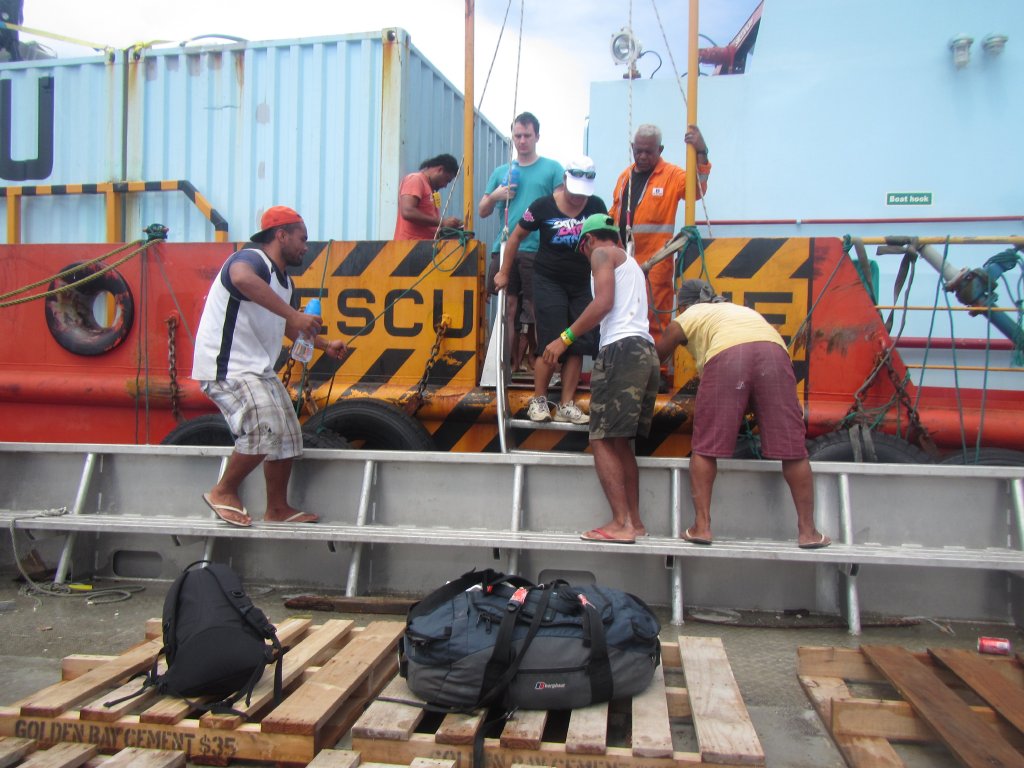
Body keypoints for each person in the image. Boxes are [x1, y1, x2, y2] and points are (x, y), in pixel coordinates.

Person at [192, 206, 349, 527]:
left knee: (289, 435)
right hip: (228, 366)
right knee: (265, 427)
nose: (306, 246)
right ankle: (224, 491)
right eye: (302, 239)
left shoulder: (285, 285)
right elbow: (241, 279)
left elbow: (290, 327)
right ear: (281, 235)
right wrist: (294, 315)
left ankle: (277, 508)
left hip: (257, 370)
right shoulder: (251, 261)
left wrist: (324, 344)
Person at [654, 279, 831, 549]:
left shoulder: (690, 314)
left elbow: (659, 355)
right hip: (774, 354)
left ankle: (702, 527)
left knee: (706, 447)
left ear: (686, 304)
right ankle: (808, 531)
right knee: (793, 450)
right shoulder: (741, 311)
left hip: (728, 356)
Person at [543, 214, 660, 544]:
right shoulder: (632, 263)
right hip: (644, 351)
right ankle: (633, 522)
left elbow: (604, 302)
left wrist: (564, 337)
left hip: (621, 350)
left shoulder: (600, 253)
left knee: (600, 438)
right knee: (620, 441)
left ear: (589, 240)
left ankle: (620, 523)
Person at [495, 156, 607, 425]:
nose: (580, 199)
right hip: (548, 281)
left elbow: (609, 242)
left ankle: (567, 403)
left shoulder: (596, 205)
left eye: (584, 193)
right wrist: (504, 271)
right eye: (575, 191)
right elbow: (516, 237)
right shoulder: (543, 206)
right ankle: (539, 400)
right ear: (566, 179)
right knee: (552, 341)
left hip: (580, 283)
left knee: (577, 342)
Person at [479, 112, 564, 372]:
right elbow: (482, 210)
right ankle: (504, 368)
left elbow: (561, 206)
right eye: (517, 136)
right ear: (512, 137)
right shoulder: (502, 172)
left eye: (527, 135)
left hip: (538, 249)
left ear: (537, 136)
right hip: (504, 249)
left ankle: (544, 367)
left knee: (539, 310)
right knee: (507, 308)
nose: (522, 140)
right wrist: (495, 195)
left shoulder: (552, 168)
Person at [611, 124, 711, 342]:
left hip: (655, 263)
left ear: (660, 149)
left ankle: (658, 371)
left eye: (649, 151)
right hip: (624, 261)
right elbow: (615, 212)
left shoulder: (672, 175)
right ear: (632, 147)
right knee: (623, 316)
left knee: (653, 319)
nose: (642, 156)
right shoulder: (624, 177)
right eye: (638, 150)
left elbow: (697, 190)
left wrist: (701, 152)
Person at [394, 153, 463, 239]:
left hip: (425, 247)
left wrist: (450, 226)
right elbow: (407, 211)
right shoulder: (415, 179)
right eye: (447, 180)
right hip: (409, 247)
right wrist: (442, 222)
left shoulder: (431, 189)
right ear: (440, 170)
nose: (445, 186)